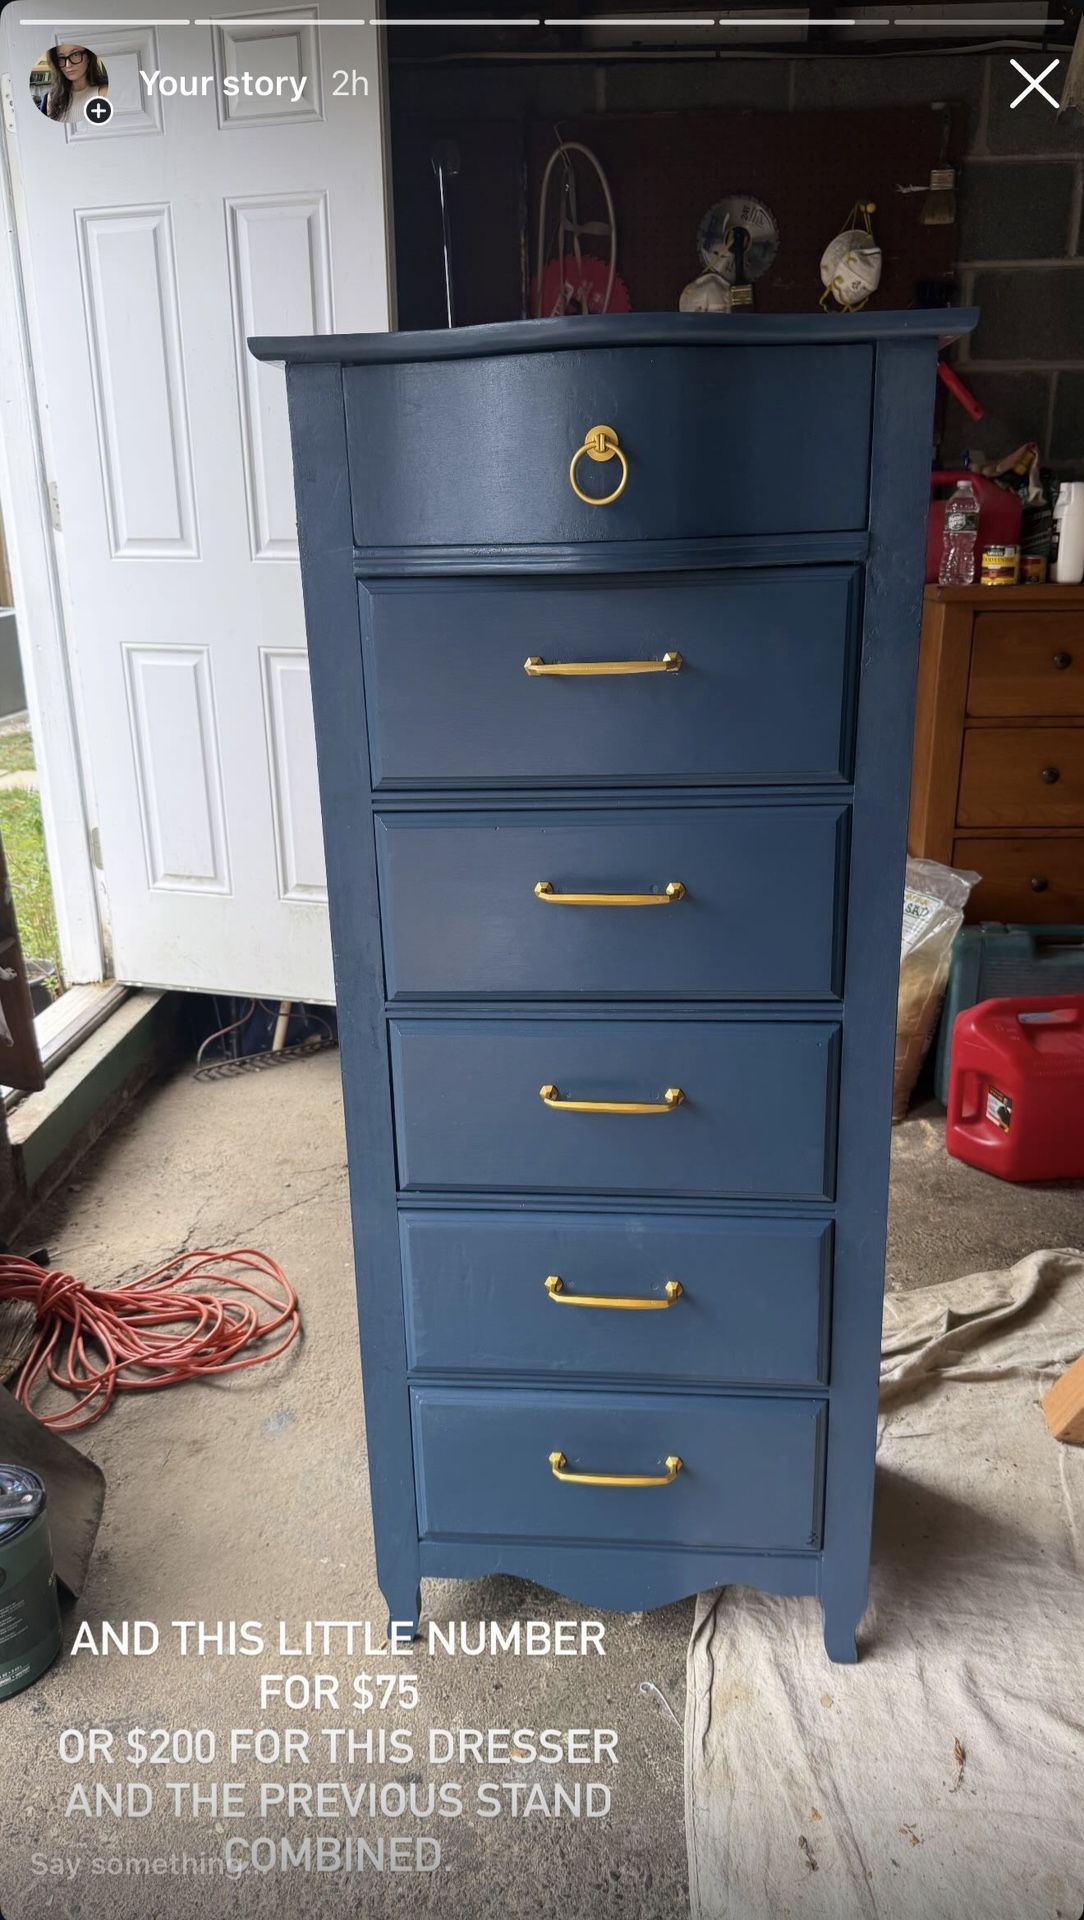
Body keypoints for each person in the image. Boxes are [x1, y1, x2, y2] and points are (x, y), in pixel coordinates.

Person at [45, 44, 109, 121]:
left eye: (75, 54)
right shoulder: (52, 97)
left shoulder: (103, 94)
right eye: (61, 58)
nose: (68, 65)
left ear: (88, 57)